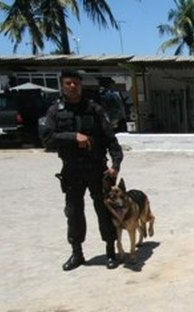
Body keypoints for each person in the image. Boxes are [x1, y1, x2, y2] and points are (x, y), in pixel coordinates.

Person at [41, 70, 124, 271]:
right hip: (72, 170)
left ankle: (110, 251)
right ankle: (77, 253)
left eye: (76, 83)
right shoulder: (55, 111)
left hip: (97, 168)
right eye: (68, 83)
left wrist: (115, 165)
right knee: (74, 212)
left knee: (104, 210)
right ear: (62, 85)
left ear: (81, 85)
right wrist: (73, 136)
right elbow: (47, 139)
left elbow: (110, 138)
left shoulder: (94, 109)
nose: (72, 86)